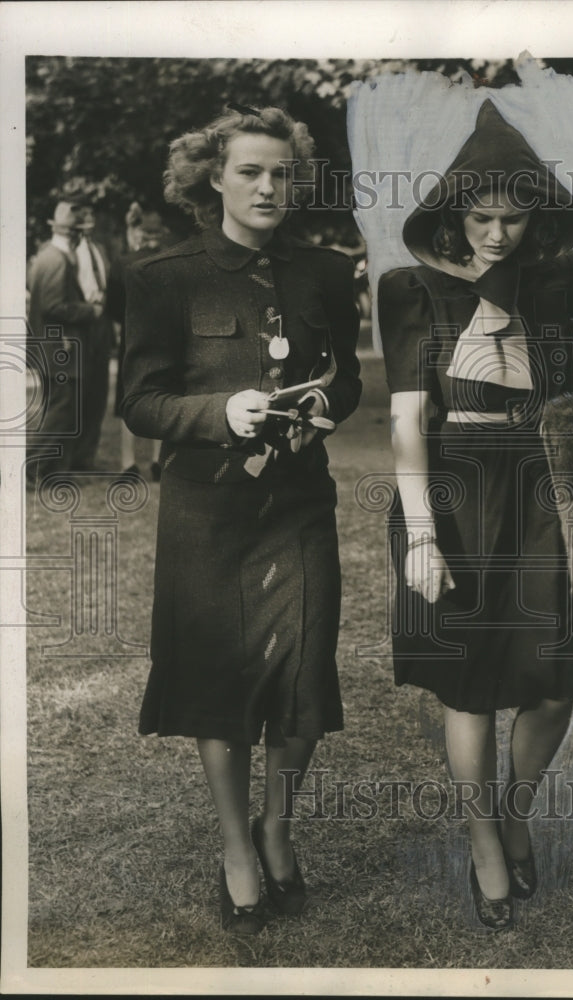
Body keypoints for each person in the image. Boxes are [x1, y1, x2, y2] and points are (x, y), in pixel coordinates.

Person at [121, 104, 361, 933]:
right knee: (216, 680)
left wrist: (325, 401)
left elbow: (347, 379)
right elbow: (141, 401)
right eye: (250, 171)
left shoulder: (327, 272)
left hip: (299, 505)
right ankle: (234, 846)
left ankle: (276, 825)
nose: (268, 186)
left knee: (302, 673)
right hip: (207, 511)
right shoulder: (162, 276)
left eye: (281, 172)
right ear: (212, 178)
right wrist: (221, 410)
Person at [377, 100, 573, 930]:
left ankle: (512, 811)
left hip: (541, 490)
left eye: (513, 216)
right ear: (454, 215)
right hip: (456, 495)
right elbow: (403, 420)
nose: (497, 234)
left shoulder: (557, 281)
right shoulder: (410, 290)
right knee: (467, 689)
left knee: (552, 680)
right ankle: (481, 845)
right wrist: (422, 534)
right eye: (481, 217)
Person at [26, 200, 105, 486]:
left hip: (51, 348)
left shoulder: (44, 255)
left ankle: (48, 471)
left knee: (55, 409)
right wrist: (90, 311)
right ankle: (28, 467)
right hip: (62, 348)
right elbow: (53, 306)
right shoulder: (58, 260)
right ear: (72, 234)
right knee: (62, 411)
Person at [104, 203, 170, 477]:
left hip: (131, 338)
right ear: (160, 233)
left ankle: (128, 463)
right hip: (165, 338)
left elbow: (113, 308)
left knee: (127, 398)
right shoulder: (170, 261)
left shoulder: (123, 263)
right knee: (162, 397)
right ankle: (157, 461)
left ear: (139, 232)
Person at [72, 202, 114, 470]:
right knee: (79, 392)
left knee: (99, 391)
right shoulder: (69, 252)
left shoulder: (99, 249)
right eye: (83, 215)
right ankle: (72, 457)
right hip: (81, 326)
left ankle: (88, 457)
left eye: (91, 215)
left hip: (102, 326)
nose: (89, 219)